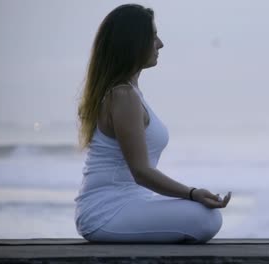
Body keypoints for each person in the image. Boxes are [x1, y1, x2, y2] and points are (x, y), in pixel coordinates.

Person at [74, 3, 232, 244]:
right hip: (106, 212)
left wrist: (191, 196)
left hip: (132, 203)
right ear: (134, 42)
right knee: (205, 219)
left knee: (205, 216)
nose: (160, 44)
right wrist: (192, 193)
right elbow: (141, 172)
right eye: (154, 36)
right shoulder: (123, 96)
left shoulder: (130, 93)